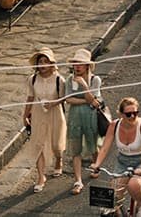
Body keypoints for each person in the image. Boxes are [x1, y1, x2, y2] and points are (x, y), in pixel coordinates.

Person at [92, 95, 141, 217]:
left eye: (135, 113)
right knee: (114, 196)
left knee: (134, 186)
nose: (132, 116)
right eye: (128, 114)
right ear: (121, 114)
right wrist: (97, 164)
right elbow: (105, 147)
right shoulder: (114, 125)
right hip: (123, 162)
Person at [24, 48, 68, 193]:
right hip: (38, 113)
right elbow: (30, 97)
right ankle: (41, 177)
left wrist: (53, 103)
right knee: (39, 144)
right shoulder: (33, 79)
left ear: (51, 63)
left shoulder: (58, 79)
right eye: (40, 62)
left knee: (56, 143)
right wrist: (25, 115)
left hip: (55, 112)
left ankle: (59, 160)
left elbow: (64, 98)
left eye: (45, 61)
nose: (42, 65)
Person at [64, 50, 103, 195]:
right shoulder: (69, 80)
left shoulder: (95, 80)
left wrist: (85, 87)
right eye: (75, 63)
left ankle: (96, 166)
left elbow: (95, 102)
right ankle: (78, 180)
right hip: (75, 118)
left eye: (81, 63)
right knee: (76, 149)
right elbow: (69, 100)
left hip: (90, 117)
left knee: (93, 145)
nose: (77, 67)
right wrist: (86, 100)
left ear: (87, 66)